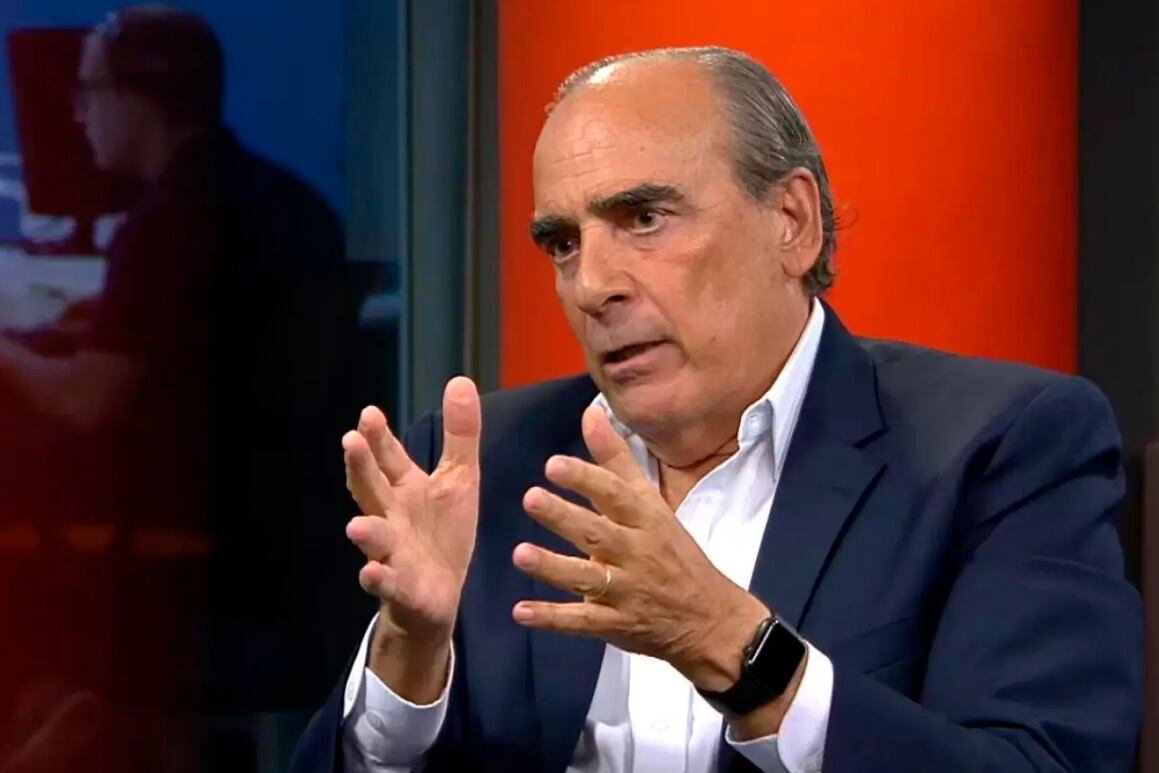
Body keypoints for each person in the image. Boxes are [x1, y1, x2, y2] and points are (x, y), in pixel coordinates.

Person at [291, 47, 1142, 773]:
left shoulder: (997, 448)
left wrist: (734, 645)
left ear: (792, 222)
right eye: (563, 243)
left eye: (644, 217)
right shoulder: (483, 467)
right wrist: (408, 656)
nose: (592, 285)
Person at [0, 5, 363, 767]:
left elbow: (87, 399)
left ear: (144, 96)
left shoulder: (169, 220)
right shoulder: (282, 200)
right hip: (297, 555)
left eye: (89, 90)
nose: (77, 114)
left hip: (198, 567)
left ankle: (64, 725)